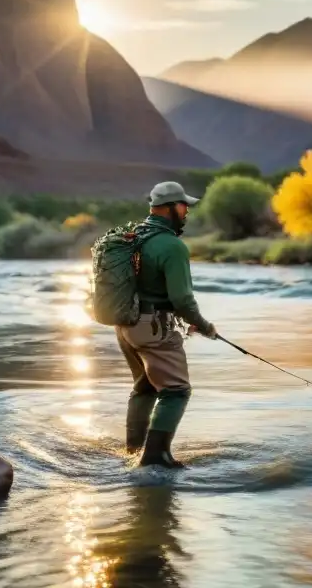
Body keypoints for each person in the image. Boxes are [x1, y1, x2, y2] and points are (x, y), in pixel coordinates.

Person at [115, 181, 217, 469]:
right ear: (171, 207)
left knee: (145, 387)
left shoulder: (130, 236)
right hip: (153, 327)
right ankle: (155, 458)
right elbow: (182, 299)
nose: (186, 211)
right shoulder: (171, 246)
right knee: (176, 391)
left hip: (123, 326)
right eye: (184, 206)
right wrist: (204, 326)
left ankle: (133, 449)